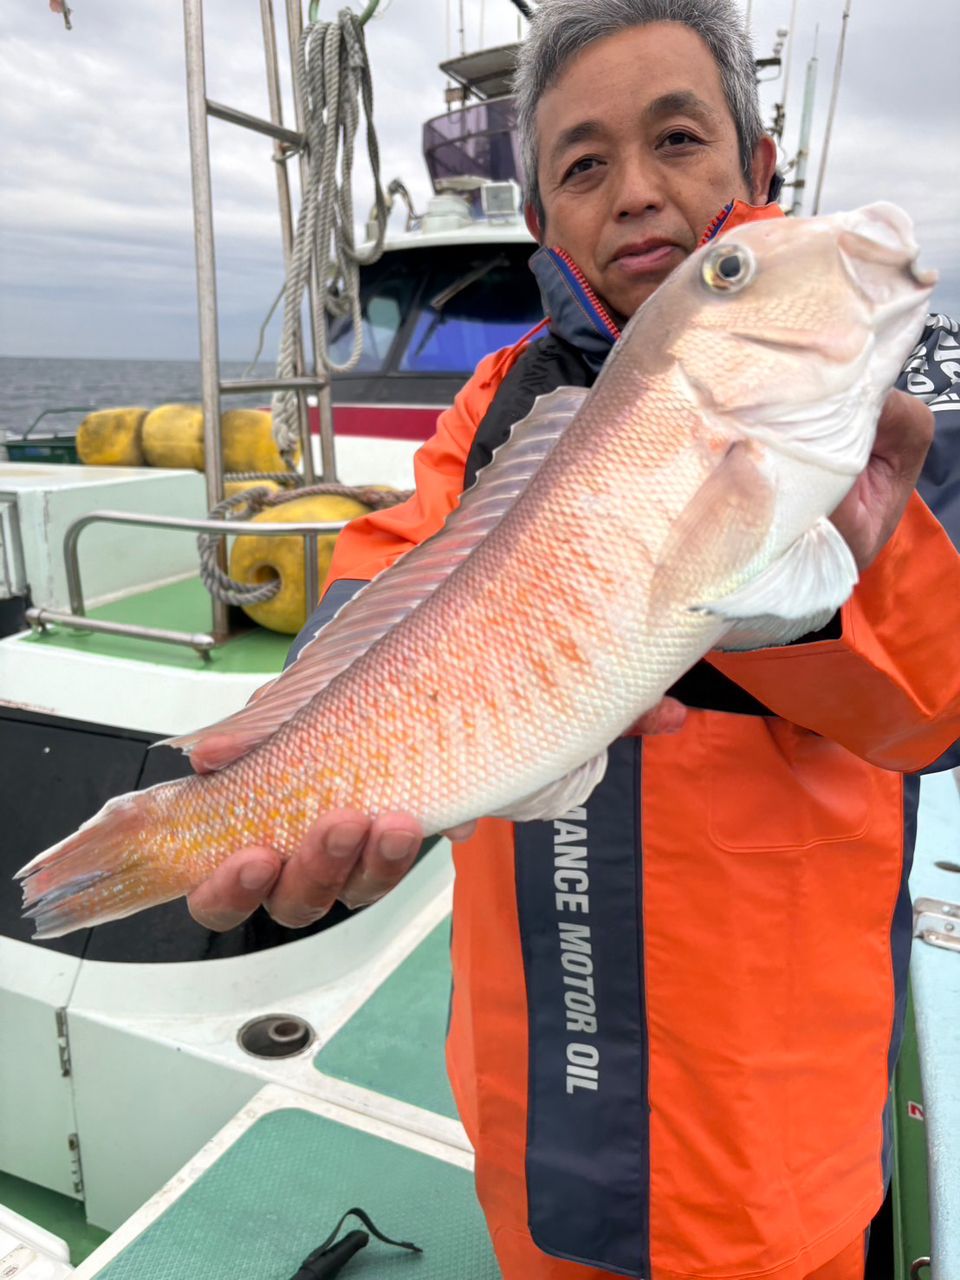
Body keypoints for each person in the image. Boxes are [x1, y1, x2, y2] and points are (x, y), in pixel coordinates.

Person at [185, 2, 960, 1277]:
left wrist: (820, 600)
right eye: (585, 165)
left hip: (776, 1127)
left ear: (759, 170)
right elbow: (376, 602)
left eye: (680, 139)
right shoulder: (496, 411)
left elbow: (938, 712)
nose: (638, 193)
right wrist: (282, 781)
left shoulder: (875, 398)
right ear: (544, 216)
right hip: (539, 1096)